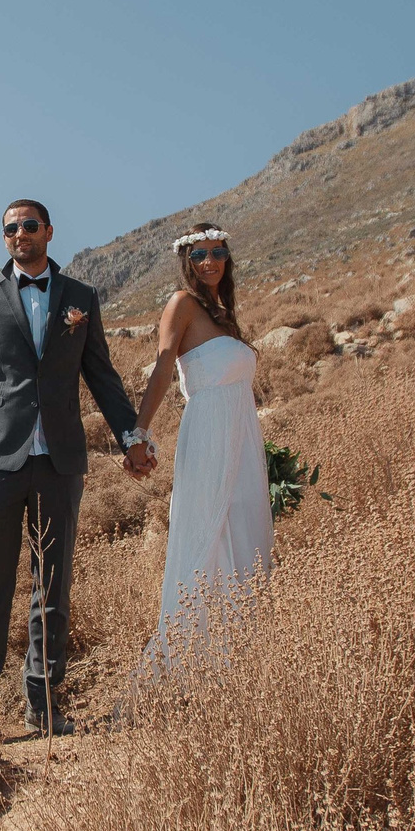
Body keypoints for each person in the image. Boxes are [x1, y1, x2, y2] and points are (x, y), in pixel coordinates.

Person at [0, 198, 154, 734]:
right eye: (10, 228)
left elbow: (102, 376)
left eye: (29, 225)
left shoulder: (81, 297)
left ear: (49, 232)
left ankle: (44, 705)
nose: (20, 234)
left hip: (60, 460)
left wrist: (131, 439)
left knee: (52, 586)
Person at [128, 224, 275, 640]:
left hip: (243, 437)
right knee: (209, 530)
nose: (209, 261)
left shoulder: (223, 313)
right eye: (199, 254)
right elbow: (162, 367)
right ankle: (195, 646)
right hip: (209, 433)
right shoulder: (183, 304)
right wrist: (138, 434)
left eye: (217, 252)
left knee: (244, 523)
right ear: (186, 261)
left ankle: (245, 638)